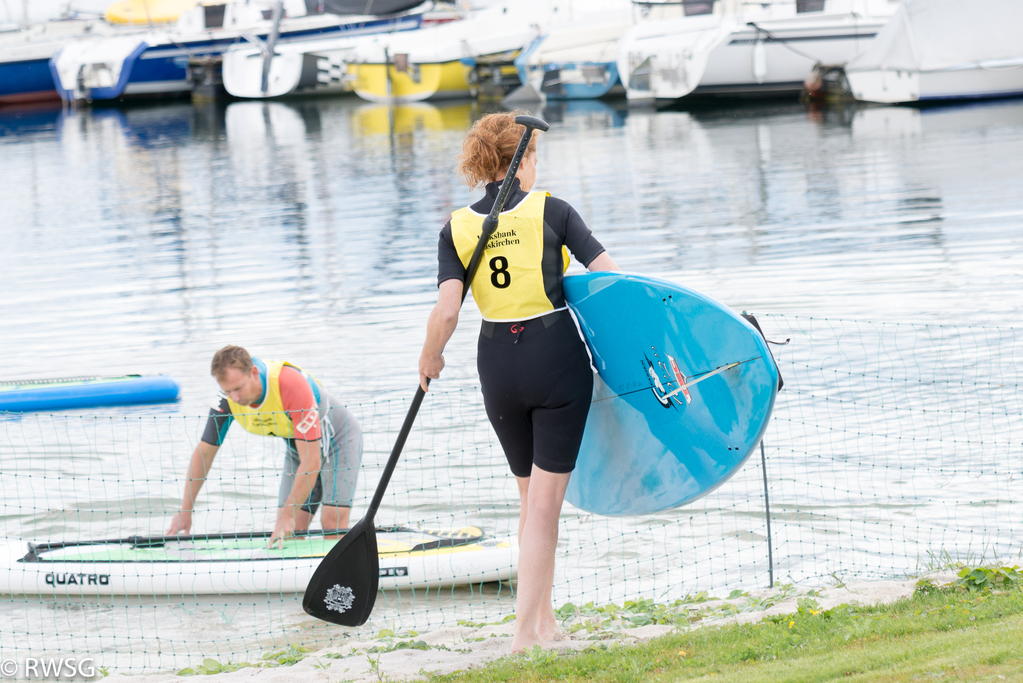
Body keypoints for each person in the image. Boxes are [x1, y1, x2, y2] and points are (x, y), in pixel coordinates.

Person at [418, 112, 619, 653]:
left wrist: (429, 358)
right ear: (522, 159)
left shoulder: (456, 226)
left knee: (530, 503)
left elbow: (447, 311)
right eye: (535, 157)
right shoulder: (553, 210)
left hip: (496, 367)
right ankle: (523, 636)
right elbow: (609, 280)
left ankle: (544, 621)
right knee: (545, 512)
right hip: (554, 359)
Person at [167, 346, 362, 548]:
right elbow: (204, 454)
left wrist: (288, 512)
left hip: (338, 440)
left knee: (331, 522)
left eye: (238, 388)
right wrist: (185, 509)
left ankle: (342, 576)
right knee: (290, 528)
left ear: (253, 373)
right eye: (227, 390)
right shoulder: (227, 400)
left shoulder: (290, 385)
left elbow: (312, 460)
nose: (234, 398)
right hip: (298, 447)